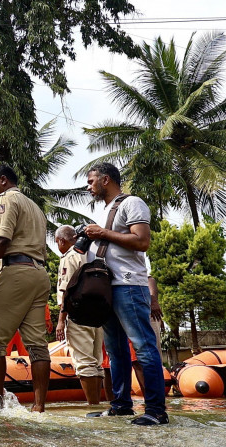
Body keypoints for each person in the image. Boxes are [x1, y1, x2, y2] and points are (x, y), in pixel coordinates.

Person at [83, 162, 168, 425]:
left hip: (129, 286)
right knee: (116, 350)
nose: (89, 186)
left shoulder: (133, 203)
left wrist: (102, 232)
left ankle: (156, 411)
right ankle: (121, 405)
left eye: (91, 181)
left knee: (143, 346)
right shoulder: (108, 209)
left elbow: (142, 241)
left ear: (106, 179)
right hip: (109, 289)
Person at [0, 164, 51, 412]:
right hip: (39, 275)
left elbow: (2, 239)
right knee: (38, 345)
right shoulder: (35, 207)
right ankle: (39, 407)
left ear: (3, 181)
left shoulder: (5, 199)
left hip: (14, 272)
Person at [54, 225, 105, 405]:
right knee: (96, 361)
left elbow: (66, 290)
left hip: (78, 313)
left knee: (84, 362)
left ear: (62, 240)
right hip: (98, 314)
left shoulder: (70, 256)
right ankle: (98, 402)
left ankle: (93, 405)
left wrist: (61, 320)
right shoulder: (93, 254)